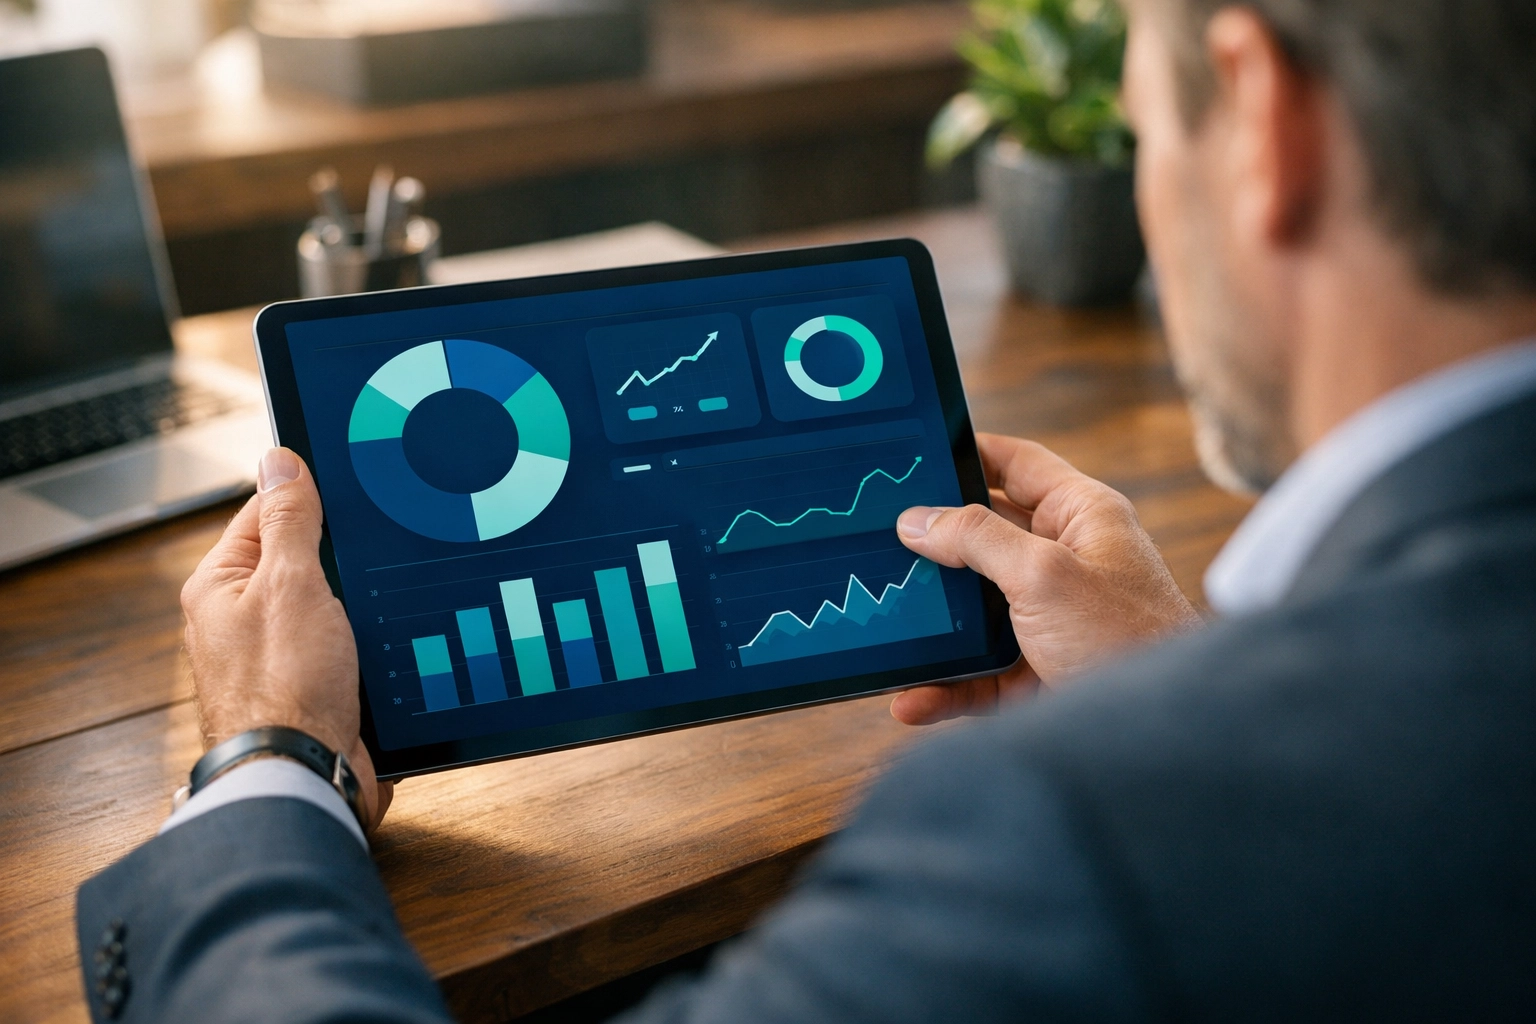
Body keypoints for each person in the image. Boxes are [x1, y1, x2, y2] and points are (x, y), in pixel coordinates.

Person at [76, 0, 1536, 1020]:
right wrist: (1177, 689)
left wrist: (268, 760)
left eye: (1149, 126)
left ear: (1263, 123)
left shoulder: (1070, 831)